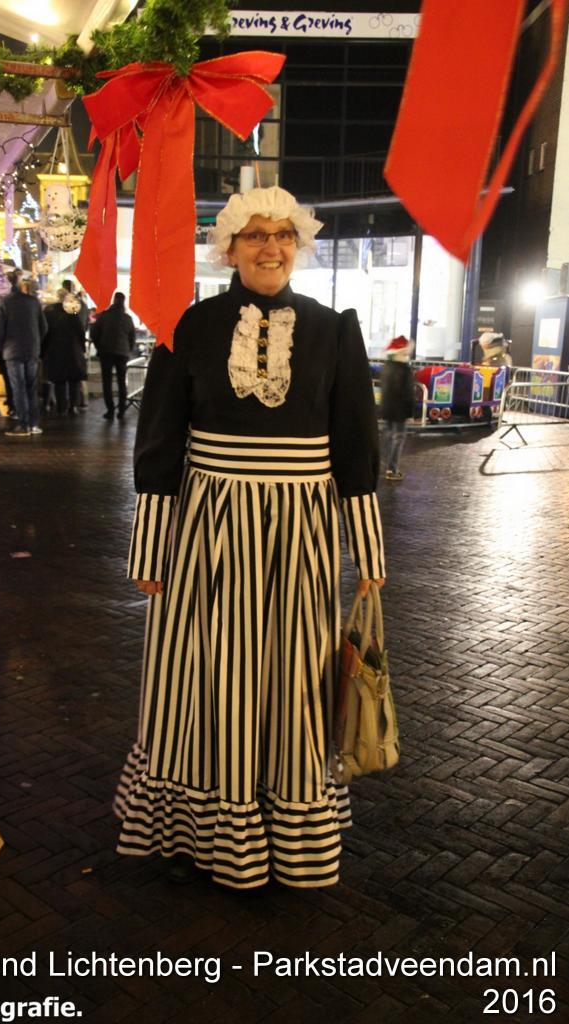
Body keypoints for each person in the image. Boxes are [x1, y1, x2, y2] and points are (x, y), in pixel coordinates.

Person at [114, 186, 386, 890]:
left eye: (283, 235)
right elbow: (160, 440)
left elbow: (355, 446)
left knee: (293, 676)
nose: (271, 247)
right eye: (256, 235)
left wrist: (367, 553)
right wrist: (151, 546)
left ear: (299, 245)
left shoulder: (333, 329)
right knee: (203, 673)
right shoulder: (190, 326)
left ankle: (287, 835)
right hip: (209, 528)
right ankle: (204, 830)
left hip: (300, 531)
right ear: (228, 248)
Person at [0, 272, 48, 437]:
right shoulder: (33, 302)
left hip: (12, 351)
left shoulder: (2, 303)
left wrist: (2, 347)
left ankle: (23, 424)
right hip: (32, 349)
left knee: (19, 388)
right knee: (31, 387)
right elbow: (44, 327)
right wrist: (36, 341)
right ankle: (34, 423)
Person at [90, 291, 136, 420]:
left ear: (114, 300)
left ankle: (110, 410)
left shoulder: (104, 316)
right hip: (122, 353)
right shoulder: (127, 318)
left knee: (107, 382)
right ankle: (121, 411)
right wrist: (128, 350)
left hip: (106, 352)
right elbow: (132, 337)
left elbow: (94, 333)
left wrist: (99, 346)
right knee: (122, 382)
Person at [42, 292, 88, 415]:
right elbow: (81, 333)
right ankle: (73, 407)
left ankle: (61, 407)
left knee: (59, 381)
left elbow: (45, 333)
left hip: (56, 351)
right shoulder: (73, 314)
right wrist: (83, 349)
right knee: (74, 381)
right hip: (74, 351)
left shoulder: (49, 313)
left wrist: (44, 351)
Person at [380, 334, 415, 482]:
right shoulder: (403, 369)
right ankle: (392, 469)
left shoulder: (387, 366)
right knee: (398, 437)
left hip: (387, 407)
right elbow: (407, 392)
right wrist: (411, 411)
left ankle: (384, 464)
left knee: (388, 435)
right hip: (399, 409)